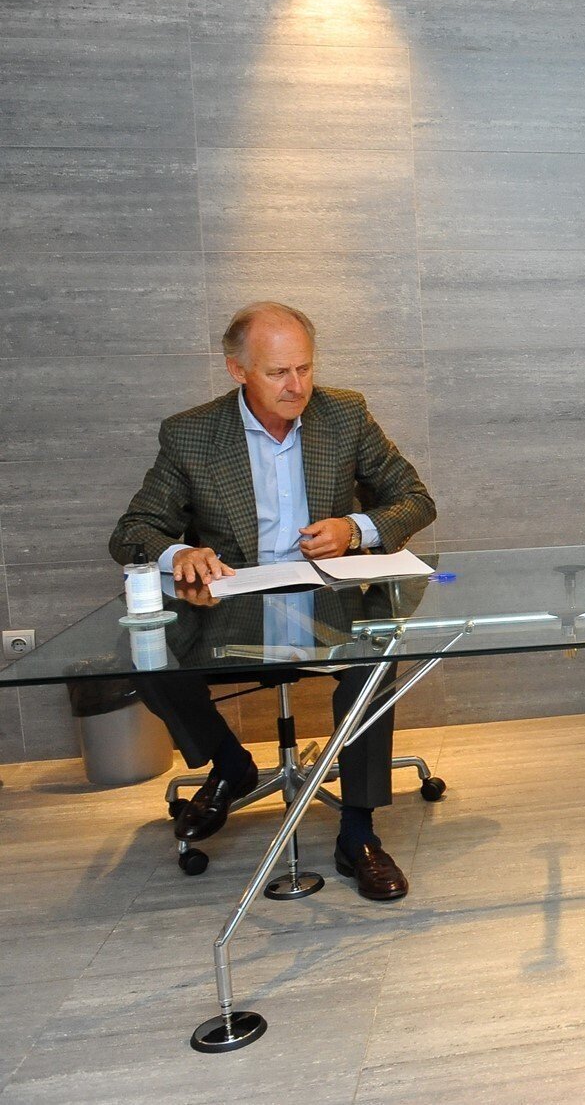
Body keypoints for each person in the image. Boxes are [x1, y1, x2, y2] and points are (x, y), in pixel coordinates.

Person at [108, 302, 435, 900]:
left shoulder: (344, 413)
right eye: (278, 372)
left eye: (304, 369)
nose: (296, 386)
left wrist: (355, 528)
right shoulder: (191, 433)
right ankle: (228, 763)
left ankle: (358, 829)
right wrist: (180, 554)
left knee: (375, 659)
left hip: (329, 593)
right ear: (238, 370)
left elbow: (414, 499)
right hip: (233, 601)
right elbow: (133, 531)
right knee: (143, 653)